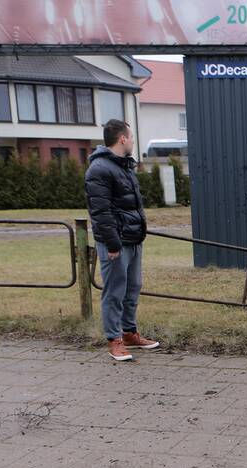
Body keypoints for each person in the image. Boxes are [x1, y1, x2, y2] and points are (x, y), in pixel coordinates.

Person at [85, 119, 160, 362]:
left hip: (132, 238)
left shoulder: (124, 166)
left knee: (133, 287)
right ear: (123, 139)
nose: (133, 141)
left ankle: (129, 333)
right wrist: (113, 244)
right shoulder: (99, 169)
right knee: (114, 292)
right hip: (115, 243)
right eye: (131, 136)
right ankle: (114, 340)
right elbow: (100, 212)